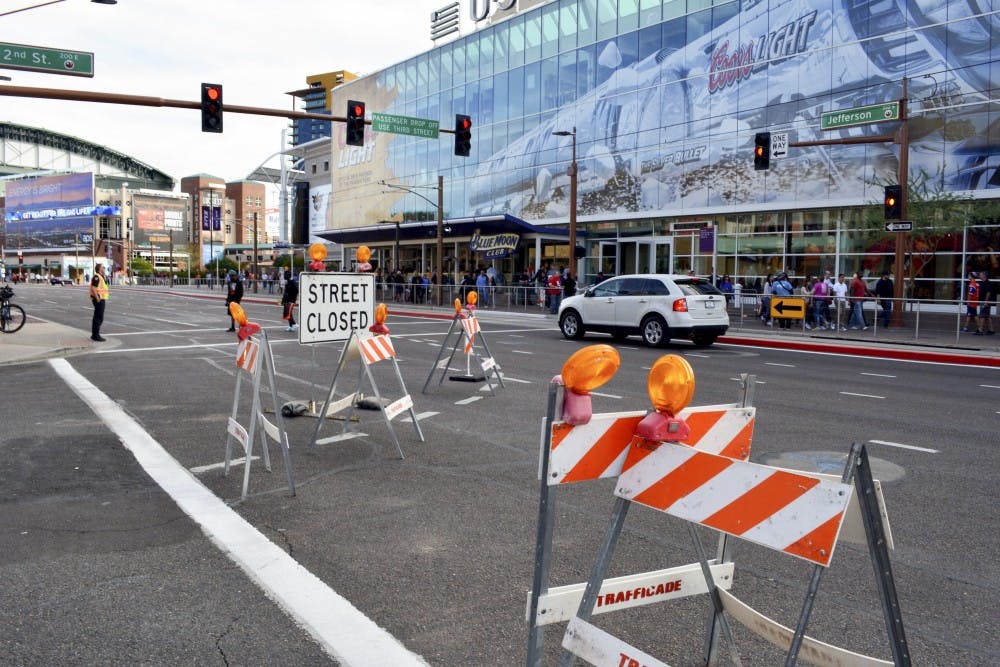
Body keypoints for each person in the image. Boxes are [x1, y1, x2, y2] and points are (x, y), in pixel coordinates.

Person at [89, 263, 109, 342]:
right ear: (100, 269)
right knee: (98, 318)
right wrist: (97, 298)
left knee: (99, 317)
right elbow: (93, 288)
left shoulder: (101, 277)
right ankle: (95, 335)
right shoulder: (97, 277)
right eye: (103, 267)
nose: (104, 269)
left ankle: (95, 334)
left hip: (101, 298)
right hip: (98, 299)